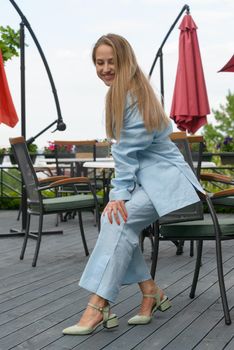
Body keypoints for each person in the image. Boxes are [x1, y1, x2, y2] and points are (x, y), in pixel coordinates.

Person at [62, 33, 204, 335]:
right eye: (99, 63)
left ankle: (98, 304)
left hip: (168, 183)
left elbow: (125, 152)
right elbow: (127, 151)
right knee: (117, 222)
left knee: (116, 219)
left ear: (125, 61)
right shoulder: (123, 92)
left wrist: (119, 195)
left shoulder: (133, 95)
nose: (105, 68)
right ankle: (150, 291)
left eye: (111, 61)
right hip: (151, 183)